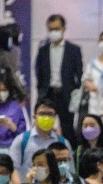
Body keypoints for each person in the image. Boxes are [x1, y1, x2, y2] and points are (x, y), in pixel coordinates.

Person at [35, 15, 83, 144]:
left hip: (66, 94)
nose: (53, 32)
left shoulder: (74, 50)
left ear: (64, 28)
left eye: (56, 28)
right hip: (48, 93)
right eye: (50, 29)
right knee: (44, 125)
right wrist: (41, 93)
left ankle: (69, 155)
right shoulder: (43, 50)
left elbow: (79, 74)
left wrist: (76, 93)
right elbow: (38, 74)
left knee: (67, 128)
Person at [8, 100, 70, 177]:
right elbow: (12, 168)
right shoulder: (21, 140)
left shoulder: (63, 142)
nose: (46, 117)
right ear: (34, 116)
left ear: (55, 117)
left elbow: (70, 171)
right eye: (42, 114)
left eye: (50, 114)